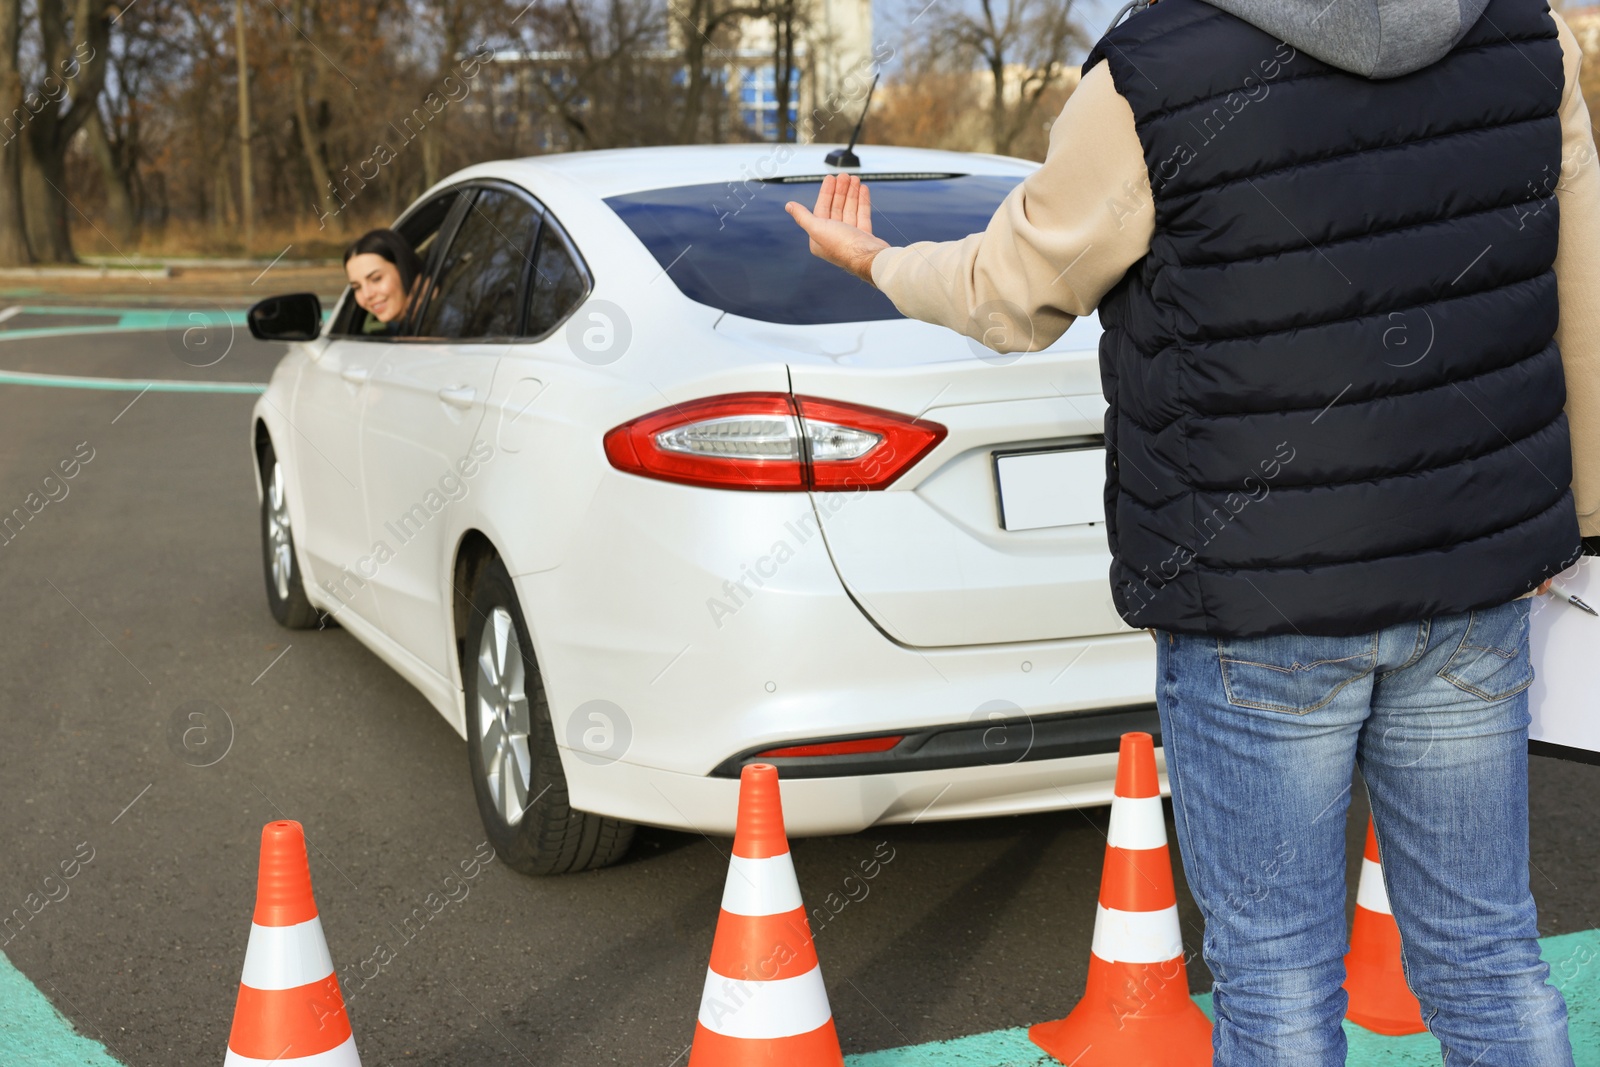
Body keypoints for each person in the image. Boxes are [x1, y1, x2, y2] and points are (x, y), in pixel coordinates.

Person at [787, 0, 1598, 1063]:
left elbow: (1011, 296)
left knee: (1275, 979)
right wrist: (1572, 526)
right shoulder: (1524, 35)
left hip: (1254, 601)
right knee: (1487, 955)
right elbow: (1577, 293)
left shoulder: (1153, 68)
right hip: (1470, 579)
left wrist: (876, 262)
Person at [342, 228, 423, 333]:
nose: (367, 295)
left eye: (376, 279)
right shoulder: (404, 328)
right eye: (357, 287)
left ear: (404, 268)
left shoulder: (444, 322)